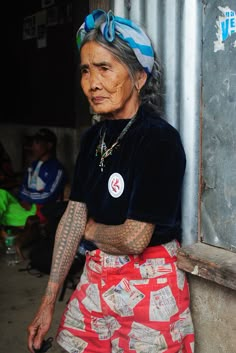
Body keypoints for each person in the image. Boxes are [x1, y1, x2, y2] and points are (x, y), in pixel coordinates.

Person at [28, 9, 194, 353]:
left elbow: (134, 238)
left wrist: (89, 230)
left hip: (151, 285)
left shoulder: (157, 140)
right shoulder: (94, 139)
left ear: (139, 76)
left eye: (105, 68)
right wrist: (48, 300)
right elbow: (74, 217)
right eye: (86, 70)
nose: (92, 83)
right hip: (98, 273)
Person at [0, 128, 66, 228]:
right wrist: (25, 200)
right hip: (24, 205)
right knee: (2, 193)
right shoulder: (34, 165)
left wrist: (29, 200)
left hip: (38, 210)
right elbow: (23, 187)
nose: (33, 146)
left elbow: (48, 195)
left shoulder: (57, 169)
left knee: (6, 212)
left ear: (49, 145)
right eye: (33, 143)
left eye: (37, 143)